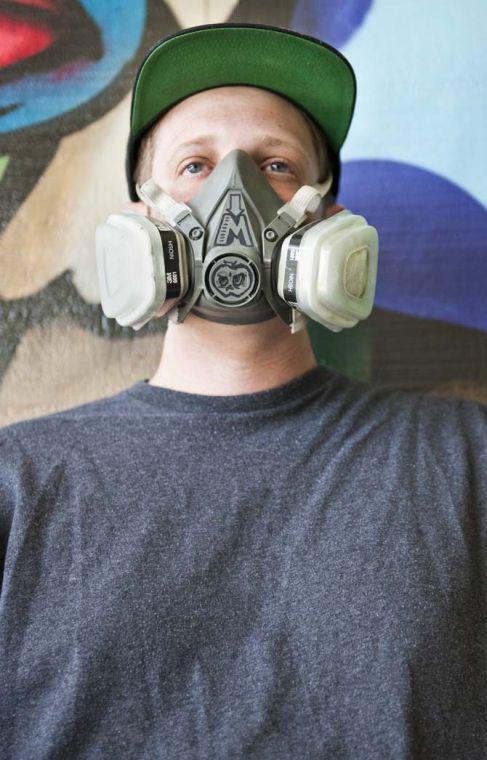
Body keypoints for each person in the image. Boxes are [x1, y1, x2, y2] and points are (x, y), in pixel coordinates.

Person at [0, 23, 486, 760]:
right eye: (196, 164)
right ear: (143, 221)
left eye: (276, 164)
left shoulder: (466, 461)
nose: (236, 192)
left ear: (326, 225)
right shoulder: (18, 484)